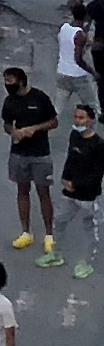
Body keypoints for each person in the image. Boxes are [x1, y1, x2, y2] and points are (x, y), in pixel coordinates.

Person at [0, 64, 61, 263]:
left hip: (40, 154)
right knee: (22, 191)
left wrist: (35, 128)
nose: (7, 85)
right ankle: (26, 232)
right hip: (19, 153)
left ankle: (49, 234)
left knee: (43, 193)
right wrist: (13, 132)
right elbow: (7, 123)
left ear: (21, 81)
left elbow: (54, 122)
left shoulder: (40, 98)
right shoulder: (9, 102)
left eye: (10, 81)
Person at [62, 102, 104, 279]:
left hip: (88, 196)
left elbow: (97, 173)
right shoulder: (74, 135)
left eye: (81, 118)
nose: (77, 121)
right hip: (69, 192)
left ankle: (89, 262)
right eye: (75, 117)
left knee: (90, 229)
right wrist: (65, 177)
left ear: (91, 121)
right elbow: (70, 158)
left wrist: (76, 184)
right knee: (60, 220)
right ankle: (56, 254)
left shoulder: (99, 145)